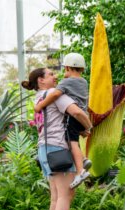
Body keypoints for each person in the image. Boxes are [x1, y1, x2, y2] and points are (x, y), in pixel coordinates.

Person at [22, 67, 93, 210]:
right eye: (50, 74)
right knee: (65, 194)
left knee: (55, 196)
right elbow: (77, 112)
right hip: (58, 148)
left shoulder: (38, 97)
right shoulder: (54, 95)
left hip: (45, 149)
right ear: (41, 81)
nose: (56, 76)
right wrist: (88, 126)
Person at [34, 53, 92, 189]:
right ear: (82, 69)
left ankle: (80, 171)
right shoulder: (83, 81)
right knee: (74, 139)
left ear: (67, 67)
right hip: (82, 116)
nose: (57, 76)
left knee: (72, 143)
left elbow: (55, 94)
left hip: (73, 118)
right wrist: (86, 126)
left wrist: (40, 105)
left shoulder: (65, 83)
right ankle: (83, 159)